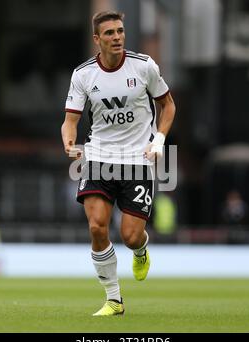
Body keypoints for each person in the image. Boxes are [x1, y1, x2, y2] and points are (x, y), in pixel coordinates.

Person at [61, 11, 176, 316]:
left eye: (120, 31)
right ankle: (114, 299)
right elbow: (70, 120)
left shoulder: (144, 66)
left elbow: (168, 105)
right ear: (97, 40)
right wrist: (69, 140)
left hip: (137, 159)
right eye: (109, 33)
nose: (116, 37)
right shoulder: (83, 74)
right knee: (97, 227)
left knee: (130, 236)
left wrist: (160, 139)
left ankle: (140, 250)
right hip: (99, 156)